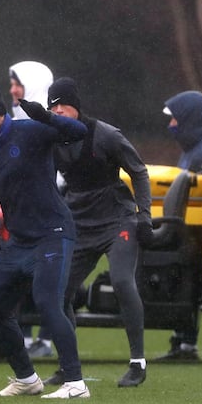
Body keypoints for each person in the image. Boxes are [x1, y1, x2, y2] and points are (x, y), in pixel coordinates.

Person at [0, 83, 91, 399]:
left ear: (0, 113)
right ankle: (27, 379)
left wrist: (47, 117)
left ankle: (75, 384)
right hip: (19, 241)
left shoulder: (31, 130)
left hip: (52, 234)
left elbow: (79, 131)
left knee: (47, 303)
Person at [40, 77, 151, 387]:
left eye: (63, 104)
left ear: (76, 106)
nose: (57, 110)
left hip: (118, 221)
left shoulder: (106, 135)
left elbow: (138, 172)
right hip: (79, 224)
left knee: (121, 281)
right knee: (58, 293)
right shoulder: (52, 140)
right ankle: (68, 366)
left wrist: (144, 215)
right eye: (53, 106)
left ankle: (137, 363)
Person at [155, 90, 202, 361]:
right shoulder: (193, 151)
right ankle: (185, 342)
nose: (171, 125)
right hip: (192, 234)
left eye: (176, 119)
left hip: (198, 238)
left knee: (187, 278)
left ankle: (185, 343)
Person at [8, 61, 57, 358]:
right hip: (21, 213)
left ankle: (47, 339)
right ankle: (24, 337)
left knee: (49, 279)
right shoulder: (13, 120)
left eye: (19, 84)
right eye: (12, 84)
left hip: (48, 213)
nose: (13, 90)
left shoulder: (50, 122)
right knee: (21, 276)